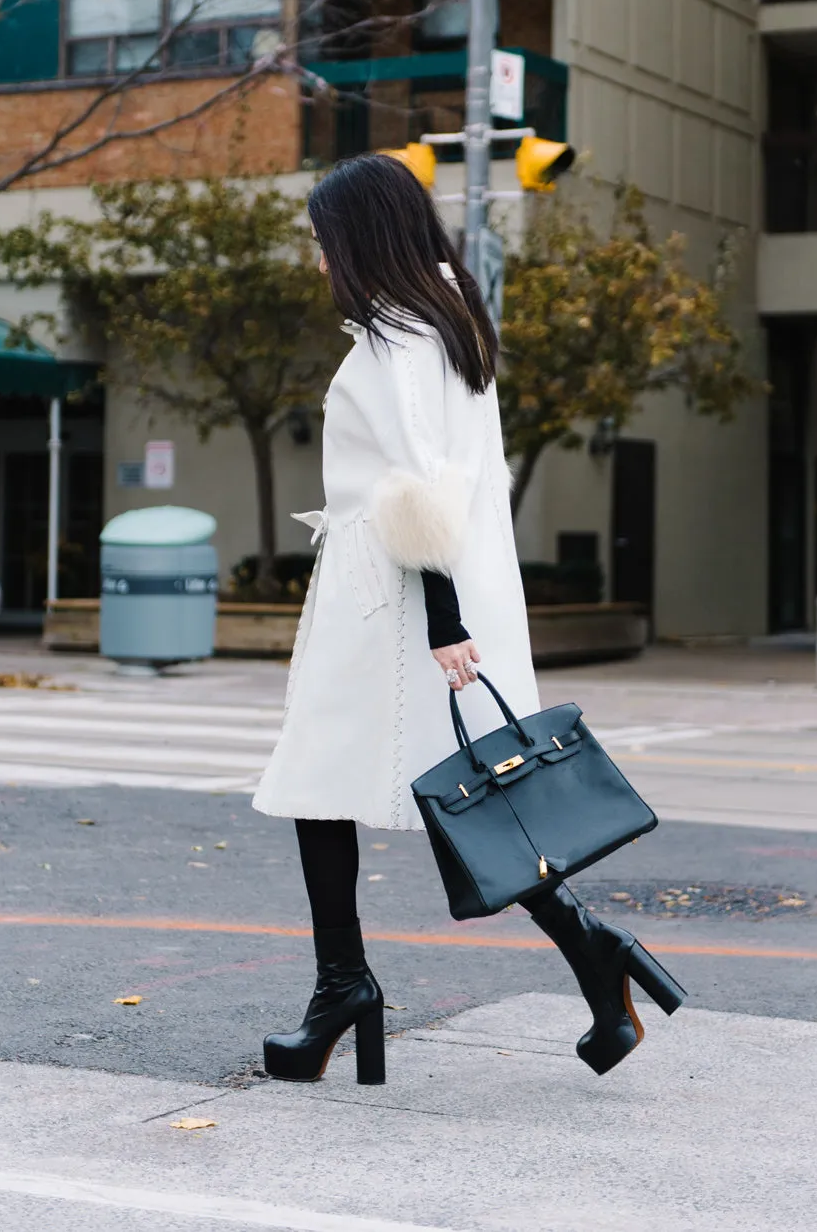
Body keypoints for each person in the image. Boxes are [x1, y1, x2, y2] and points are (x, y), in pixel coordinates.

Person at [252, 154, 685, 1084]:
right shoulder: (449, 317)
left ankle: (345, 989)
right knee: (469, 796)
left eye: (325, 240)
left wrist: (443, 620)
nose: (320, 257)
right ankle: (587, 952)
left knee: (322, 783)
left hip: (398, 595)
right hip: (426, 586)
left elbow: (418, 481)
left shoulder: (397, 333)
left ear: (361, 236)